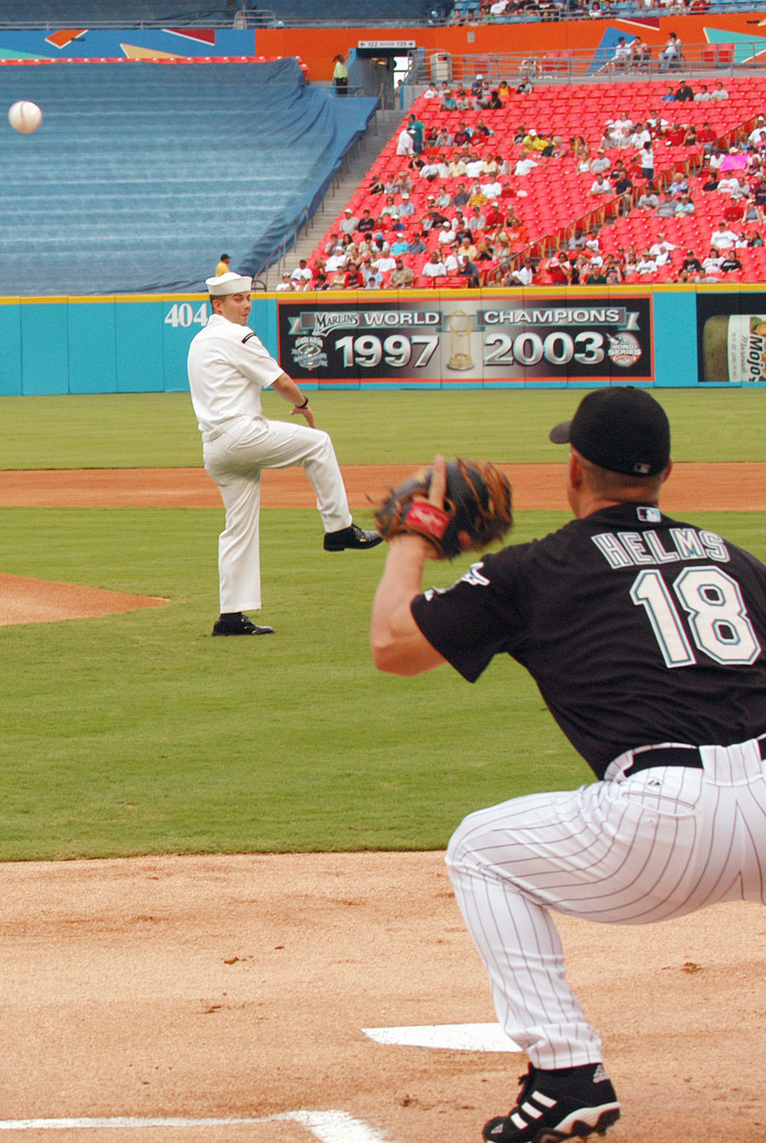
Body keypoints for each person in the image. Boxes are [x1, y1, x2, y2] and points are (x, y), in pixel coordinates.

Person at [369, 387, 766, 1143]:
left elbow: (393, 647)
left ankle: (565, 1073)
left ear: (575, 470)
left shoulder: (536, 569)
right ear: (667, 471)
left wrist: (412, 537)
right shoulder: (734, 558)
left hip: (661, 823)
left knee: (482, 848)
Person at [187, 272, 380, 637]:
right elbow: (281, 382)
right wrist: (304, 405)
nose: (246, 305)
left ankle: (231, 617)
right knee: (318, 443)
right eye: (237, 299)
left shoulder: (199, 339)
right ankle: (339, 528)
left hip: (214, 448)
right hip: (240, 435)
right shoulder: (237, 335)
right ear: (218, 305)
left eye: (247, 297)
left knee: (238, 528)